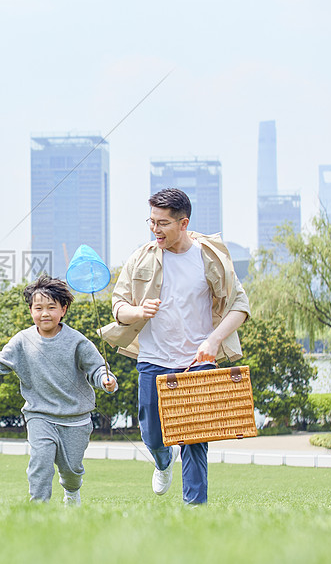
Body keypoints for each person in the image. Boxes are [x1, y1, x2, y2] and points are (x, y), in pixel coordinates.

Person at [99, 188, 250, 505]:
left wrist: (213, 340)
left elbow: (239, 305)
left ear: (184, 223)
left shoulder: (210, 257)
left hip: (198, 360)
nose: (155, 229)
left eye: (163, 223)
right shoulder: (141, 257)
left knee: (196, 440)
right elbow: (118, 307)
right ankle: (163, 460)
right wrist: (138, 312)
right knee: (152, 433)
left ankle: (195, 509)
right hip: (153, 360)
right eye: (151, 221)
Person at [0, 275, 118, 505]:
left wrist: (106, 380)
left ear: (63, 310)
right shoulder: (22, 341)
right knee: (40, 462)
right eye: (38, 308)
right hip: (39, 415)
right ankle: (38, 509)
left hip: (76, 419)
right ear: (31, 311)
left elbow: (97, 369)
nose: (44, 313)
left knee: (71, 471)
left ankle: (71, 491)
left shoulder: (77, 341)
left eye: (51, 307)